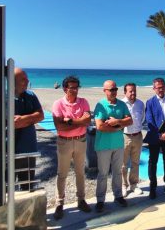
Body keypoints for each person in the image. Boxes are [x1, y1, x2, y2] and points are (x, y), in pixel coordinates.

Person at [51, 75, 92, 219]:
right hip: (64, 142)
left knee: (80, 173)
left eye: (76, 87)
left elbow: (87, 121)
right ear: (64, 89)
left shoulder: (84, 102)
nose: (74, 90)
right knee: (62, 174)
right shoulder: (58, 104)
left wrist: (70, 121)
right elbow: (59, 125)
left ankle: (81, 200)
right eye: (71, 88)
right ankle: (59, 203)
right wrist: (78, 121)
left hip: (80, 141)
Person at [94, 80, 133, 213]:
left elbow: (130, 120)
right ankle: (100, 200)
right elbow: (100, 126)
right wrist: (119, 127)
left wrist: (117, 121)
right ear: (104, 91)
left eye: (115, 89)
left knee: (117, 172)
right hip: (103, 146)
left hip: (118, 145)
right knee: (103, 174)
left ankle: (118, 196)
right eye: (111, 89)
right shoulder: (100, 105)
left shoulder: (122, 104)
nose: (114, 91)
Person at [144, 78, 165, 199]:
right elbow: (149, 120)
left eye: (162, 87)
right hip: (155, 137)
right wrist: (158, 135)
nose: (160, 89)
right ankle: (153, 187)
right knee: (152, 163)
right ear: (154, 89)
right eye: (158, 87)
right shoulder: (149, 102)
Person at [14, 68, 44, 191]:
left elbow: (40, 115)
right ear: (12, 81)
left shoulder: (30, 96)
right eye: (23, 79)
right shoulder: (2, 97)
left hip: (28, 150)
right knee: (4, 189)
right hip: (6, 152)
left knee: (27, 187)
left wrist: (23, 119)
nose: (27, 81)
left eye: (27, 79)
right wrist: (30, 119)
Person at [121, 83, 146, 197]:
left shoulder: (140, 104)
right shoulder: (121, 104)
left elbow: (142, 118)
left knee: (135, 163)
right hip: (125, 136)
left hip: (137, 136)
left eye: (134, 90)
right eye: (130, 91)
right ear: (125, 92)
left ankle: (134, 185)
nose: (133, 93)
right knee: (123, 164)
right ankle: (123, 186)